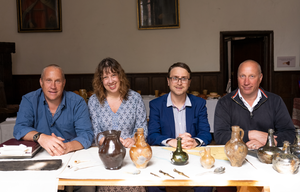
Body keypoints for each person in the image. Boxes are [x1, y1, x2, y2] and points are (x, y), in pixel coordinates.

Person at [13, 64, 95, 192]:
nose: (53, 86)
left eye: (57, 81)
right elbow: (19, 128)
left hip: (72, 160)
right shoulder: (29, 100)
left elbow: (86, 135)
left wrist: (67, 147)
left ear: (64, 83)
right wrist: (40, 137)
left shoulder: (77, 102)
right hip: (39, 161)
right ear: (41, 82)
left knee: (88, 186)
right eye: (48, 81)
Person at [147, 62, 212, 192]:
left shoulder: (199, 103)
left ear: (189, 82)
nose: (179, 82)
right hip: (165, 157)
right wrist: (171, 141)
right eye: (175, 78)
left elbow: (206, 134)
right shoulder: (156, 105)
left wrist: (195, 141)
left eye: (184, 78)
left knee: (206, 184)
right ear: (168, 81)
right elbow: (152, 135)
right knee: (153, 185)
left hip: (192, 155)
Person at [88, 57, 147, 192]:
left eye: (113, 75)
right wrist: (105, 140)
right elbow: (95, 131)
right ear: (101, 81)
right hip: (106, 155)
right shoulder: (94, 101)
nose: (110, 81)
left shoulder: (135, 98)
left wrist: (134, 140)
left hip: (132, 155)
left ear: (120, 76)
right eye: (105, 77)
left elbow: (142, 128)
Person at [214, 60, 295, 149]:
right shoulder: (224, 102)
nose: (246, 82)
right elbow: (220, 136)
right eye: (242, 76)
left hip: (268, 156)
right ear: (237, 78)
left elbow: (289, 133)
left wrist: (269, 141)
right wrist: (250, 135)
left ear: (260, 78)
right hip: (235, 156)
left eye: (252, 76)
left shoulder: (275, 101)